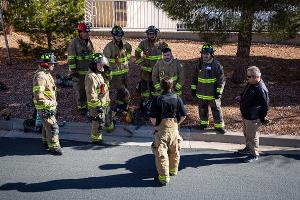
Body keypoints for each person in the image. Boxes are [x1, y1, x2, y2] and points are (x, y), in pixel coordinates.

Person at [150, 76, 187, 186]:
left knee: (161, 154)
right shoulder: (177, 98)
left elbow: (153, 119)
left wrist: (157, 126)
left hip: (161, 132)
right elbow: (183, 115)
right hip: (174, 130)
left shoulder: (157, 100)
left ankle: (164, 177)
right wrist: (176, 124)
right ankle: (173, 171)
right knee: (174, 151)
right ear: (172, 86)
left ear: (161, 86)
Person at [235, 66, 270, 163]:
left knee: (253, 136)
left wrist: (261, 117)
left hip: (253, 117)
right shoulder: (251, 84)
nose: (247, 78)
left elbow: (265, 106)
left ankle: (254, 154)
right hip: (246, 115)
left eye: (249, 76)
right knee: (246, 133)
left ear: (256, 77)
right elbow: (245, 93)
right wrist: (241, 97)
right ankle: (248, 149)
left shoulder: (261, 89)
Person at [191, 44, 226, 134]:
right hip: (201, 93)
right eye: (204, 53)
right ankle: (203, 124)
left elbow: (221, 80)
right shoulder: (198, 65)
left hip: (212, 94)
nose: (205, 55)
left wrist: (219, 92)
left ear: (211, 54)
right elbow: (194, 78)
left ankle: (219, 126)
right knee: (202, 109)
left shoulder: (216, 65)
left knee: (216, 110)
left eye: (207, 53)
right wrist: (193, 89)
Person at [33, 53, 62, 155]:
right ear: (45, 64)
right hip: (46, 107)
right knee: (52, 127)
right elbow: (39, 96)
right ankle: (54, 147)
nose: (53, 65)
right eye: (51, 63)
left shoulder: (46, 74)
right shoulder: (40, 77)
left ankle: (46, 141)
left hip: (49, 106)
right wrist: (50, 104)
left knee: (46, 126)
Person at [135, 26, 168, 116]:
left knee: (156, 90)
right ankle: (145, 108)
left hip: (157, 72)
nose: (151, 35)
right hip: (146, 72)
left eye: (153, 34)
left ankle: (155, 108)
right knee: (145, 90)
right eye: (149, 34)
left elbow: (167, 55)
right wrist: (142, 65)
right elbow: (137, 53)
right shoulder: (143, 43)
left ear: (156, 34)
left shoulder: (162, 44)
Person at [85, 53, 115, 144]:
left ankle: (109, 128)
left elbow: (108, 80)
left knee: (108, 117)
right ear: (94, 65)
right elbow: (91, 94)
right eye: (100, 64)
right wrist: (97, 106)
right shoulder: (91, 77)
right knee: (98, 122)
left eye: (103, 64)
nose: (103, 66)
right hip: (97, 104)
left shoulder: (99, 72)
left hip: (105, 102)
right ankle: (96, 138)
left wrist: (108, 71)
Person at [67, 22, 94, 115]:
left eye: (88, 32)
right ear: (80, 32)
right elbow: (71, 58)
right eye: (85, 32)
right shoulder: (74, 43)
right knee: (80, 90)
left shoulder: (89, 41)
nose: (87, 34)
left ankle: (88, 105)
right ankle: (81, 107)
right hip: (79, 72)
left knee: (89, 89)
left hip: (88, 71)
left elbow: (92, 54)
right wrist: (73, 71)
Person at [103, 25, 132, 113]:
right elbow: (104, 60)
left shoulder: (125, 44)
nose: (119, 37)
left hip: (125, 72)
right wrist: (107, 72)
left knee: (122, 90)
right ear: (113, 36)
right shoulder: (109, 47)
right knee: (117, 90)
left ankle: (121, 105)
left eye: (120, 35)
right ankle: (113, 108)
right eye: (117, 35)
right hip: (115, 73)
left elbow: (130, 50)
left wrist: (127, 58)